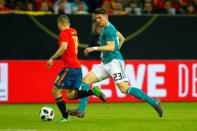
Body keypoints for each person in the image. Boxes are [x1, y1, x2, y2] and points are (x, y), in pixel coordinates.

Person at [68, 8, 163, 118]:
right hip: (105, 63)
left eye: (100, 17)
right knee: (86, 80)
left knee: (124, 88)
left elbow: (112, 47)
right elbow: (122, 38)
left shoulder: (109, 29)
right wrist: (117, 49)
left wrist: (93, 48)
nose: (98, 20)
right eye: (96, 18)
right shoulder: (106, 28)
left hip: (114, 63)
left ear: (106, 17)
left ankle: (154, 102)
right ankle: (81, 110)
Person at [46, 15, 106, 122]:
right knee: (70, 95)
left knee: (56, 91)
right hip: (77, 67)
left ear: (60, 25)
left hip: (69, 67)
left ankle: (65, 117)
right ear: (68, 24)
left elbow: (64, 47)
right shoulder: (73, 31)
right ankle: (93, 92)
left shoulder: (64, 32)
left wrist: (52, 58)